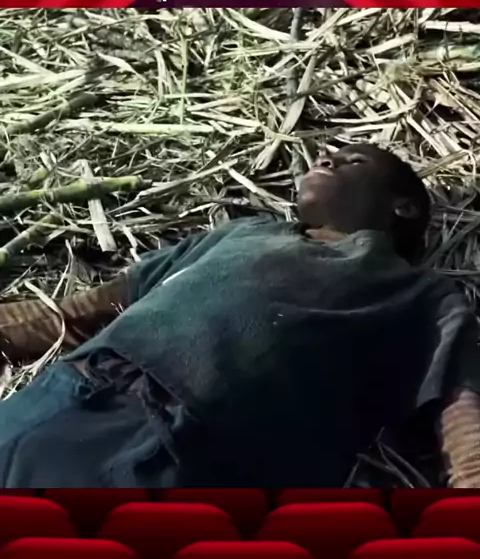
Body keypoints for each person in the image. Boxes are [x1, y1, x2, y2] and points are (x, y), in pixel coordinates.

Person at [0, 142, 479, 488]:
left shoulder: (419, 296)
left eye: (355, 161)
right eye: (327, 154)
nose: (327, 159)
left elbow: (463, 428)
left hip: (181, 449)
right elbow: (78, 314)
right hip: (64, 394)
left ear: (403, 207)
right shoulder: (242, 234)